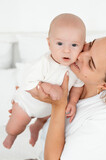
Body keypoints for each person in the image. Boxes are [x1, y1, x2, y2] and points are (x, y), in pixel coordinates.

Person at [3, 13, 85, 149]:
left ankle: (36, 127)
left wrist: (73, 102)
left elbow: (78, 86)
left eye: (74, 45)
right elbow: (27, 83)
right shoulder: (44, 64)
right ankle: (11, 136)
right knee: (15, 127)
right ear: (49, 43)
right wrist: (47, 88)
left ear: (83, 46)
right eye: (59, 43)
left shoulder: (77, 68)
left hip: (49, 108)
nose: (66, 50)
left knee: (43, 120)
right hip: (27, 105)